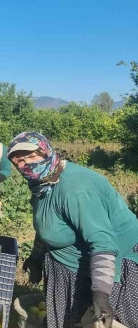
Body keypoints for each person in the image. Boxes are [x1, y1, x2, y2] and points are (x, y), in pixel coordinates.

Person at [9, 132, 138, 328]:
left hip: (108, 265)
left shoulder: (75, 189)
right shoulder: (42, 184)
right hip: (69, 263)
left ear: (46, 152)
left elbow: (103, 242)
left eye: (31, 157)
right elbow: (48, 223)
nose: (23, 165)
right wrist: (36, 257)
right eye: (17, 161)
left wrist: (101, 294)